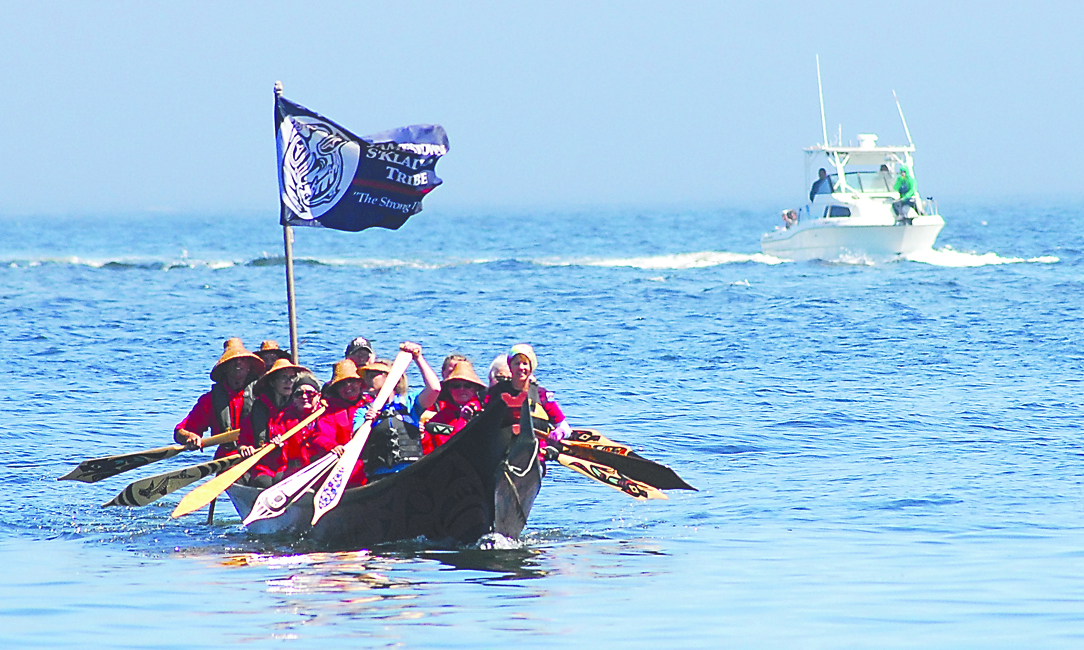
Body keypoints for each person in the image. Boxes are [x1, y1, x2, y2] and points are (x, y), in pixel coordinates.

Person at [355, 341, 441, 479]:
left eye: (373, 375)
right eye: (367, 376)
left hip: (410, 472)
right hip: (379, 475)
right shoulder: (363, 411)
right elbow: (356, 441)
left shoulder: (410, 403)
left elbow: (435, 389)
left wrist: (418, 358)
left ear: (388, 377)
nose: (368, 380)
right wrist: (369, 421)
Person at [174, 337, 265, 459]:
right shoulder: (210, 400)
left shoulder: (263, 394)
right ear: (225, 368)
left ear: (249, 366)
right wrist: (189, 437)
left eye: (242, 360)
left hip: (261, 456)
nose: (238, 363)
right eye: (233, 360)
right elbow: (180, 431)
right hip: (227, 459)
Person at [240, 357, 310, 487]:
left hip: (290, 465)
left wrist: (286, 443)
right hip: (264, 465)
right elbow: (245, 436)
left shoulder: (297, 405)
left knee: (281, 480)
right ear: (272, 382)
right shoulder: (259, 407)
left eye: (292, 378)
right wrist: (244, 446)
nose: (288, 382)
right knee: (263, 482)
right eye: (283, 377)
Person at [486, 344, 571, 443]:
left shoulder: (542, 395)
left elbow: (565, 428)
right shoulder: (496, 391)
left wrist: (560, 432)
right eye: (517, 363)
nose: (521, 368)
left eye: (525, 363)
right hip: (503, 450)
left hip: (538, 452)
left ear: (531, 367)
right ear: (510, 366)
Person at [423, 359, 487, 454]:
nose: (462, 389)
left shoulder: (485, 410)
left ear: (475, 388)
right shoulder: (439, 418)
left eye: (467, 385)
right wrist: (421, 436)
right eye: (456, 385)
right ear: (449, 389)